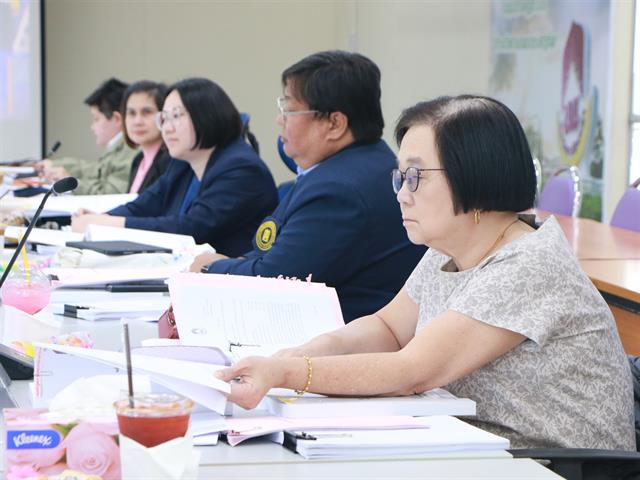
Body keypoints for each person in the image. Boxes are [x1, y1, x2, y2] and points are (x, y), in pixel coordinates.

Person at [216, 95, 635, 451]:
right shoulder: (451, 245)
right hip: (472, 442)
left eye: (415, 177)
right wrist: (304, 351)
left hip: (547, 463)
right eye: (400, 176)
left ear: (475, 173)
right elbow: (389, 328)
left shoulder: (528, 265)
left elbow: (411, 371)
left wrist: (289, 374)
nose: (401, 194)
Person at [190, 51, 425, 322]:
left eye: (289, 110)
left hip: (336, 342)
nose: (280, 120)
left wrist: (212, 268)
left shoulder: (341, 191)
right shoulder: (355, 164)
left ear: (334, 124)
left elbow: (276, 281)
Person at [71, 78, 278, 257]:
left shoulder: (241, 169)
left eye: (177, 116)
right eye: (164, 118)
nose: (167, 128)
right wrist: (103, 218)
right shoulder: (184, 161)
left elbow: (190, 228)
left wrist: (105, 225)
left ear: (206, 116)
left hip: (229, 287)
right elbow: (145, 205)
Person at [38, 78, 137, 195]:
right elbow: (94, 169)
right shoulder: (118, 147)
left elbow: (108, 193)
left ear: (116, 119)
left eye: (96, 119)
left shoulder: (131, 150)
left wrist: (71, 183)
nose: (92, 127)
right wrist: (57, 166)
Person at [121, 80, 172, 194]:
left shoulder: (171, 161)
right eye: (131, 113)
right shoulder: (137, 160)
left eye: (147, 112)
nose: (137, 121)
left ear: (164, 116)